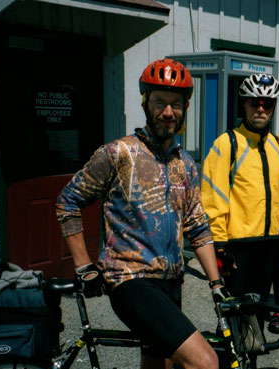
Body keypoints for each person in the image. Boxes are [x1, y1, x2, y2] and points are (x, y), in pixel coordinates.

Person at [56, 58, 228, 369]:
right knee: (205, 362)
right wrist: (83, 266)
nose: (167, 112)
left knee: (157, 363)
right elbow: (68, 201)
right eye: (160, 102)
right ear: (146, 103)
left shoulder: (185, 164)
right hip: (130, 280)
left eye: (175, 104)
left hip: (171, 281)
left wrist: (216, 285)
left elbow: (198, 227)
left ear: (186, 107)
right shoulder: (118, 153)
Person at [201, 74, 279, 336]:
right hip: (238, 249)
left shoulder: (278, 145)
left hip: (269, 246)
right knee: (232, 317)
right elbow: (213, 199)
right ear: (244, 104)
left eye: (268, 103)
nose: (261, 109)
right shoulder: (227, 143)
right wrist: (219, 246)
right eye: (255, 102)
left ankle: (248, 361)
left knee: (256, 316)